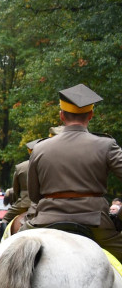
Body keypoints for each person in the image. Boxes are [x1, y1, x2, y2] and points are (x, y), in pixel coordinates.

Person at [20, 84, 122, 260]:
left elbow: (35, 196)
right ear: (91, 115)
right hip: (95, 221)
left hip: (47, 219)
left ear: (61, 115)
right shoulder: (106, 145)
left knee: (11, 248)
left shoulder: (39, 148)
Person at [3, 140, 39, 223]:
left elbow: (16, 189)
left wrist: (17, 199)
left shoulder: (20, 167)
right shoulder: (48, 164)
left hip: (24, 203)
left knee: (5, 219)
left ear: (29, 151)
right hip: (44, 203)